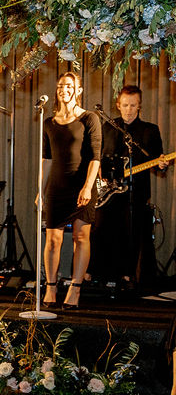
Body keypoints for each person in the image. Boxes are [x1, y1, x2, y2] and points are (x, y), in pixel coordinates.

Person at [94, 84, 167, 292]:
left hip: (136, 193)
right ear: (118, 105)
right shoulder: (107, 127)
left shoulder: (150, 130)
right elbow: (97, 158)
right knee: (100, 230)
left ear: (139, 106)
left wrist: (161, 164)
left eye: (133, 105)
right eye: (125, 105)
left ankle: (128, 275)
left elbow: (158, 160)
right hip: (108, 192)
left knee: (131, 231)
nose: (128, 110)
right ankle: (99, 274)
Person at [41, 71, 101, 310]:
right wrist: (40, 190)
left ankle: (75, 289)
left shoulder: (89, 118)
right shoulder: (49, 122)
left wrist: (88, 187)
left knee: (80, 237)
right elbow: (46, 160)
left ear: (78, 90)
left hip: (81, 183)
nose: (63, 90)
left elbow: (95, 157)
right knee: (52, 239)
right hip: (57, 185)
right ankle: (51, 287)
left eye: (68, 86)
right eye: (60, 86)